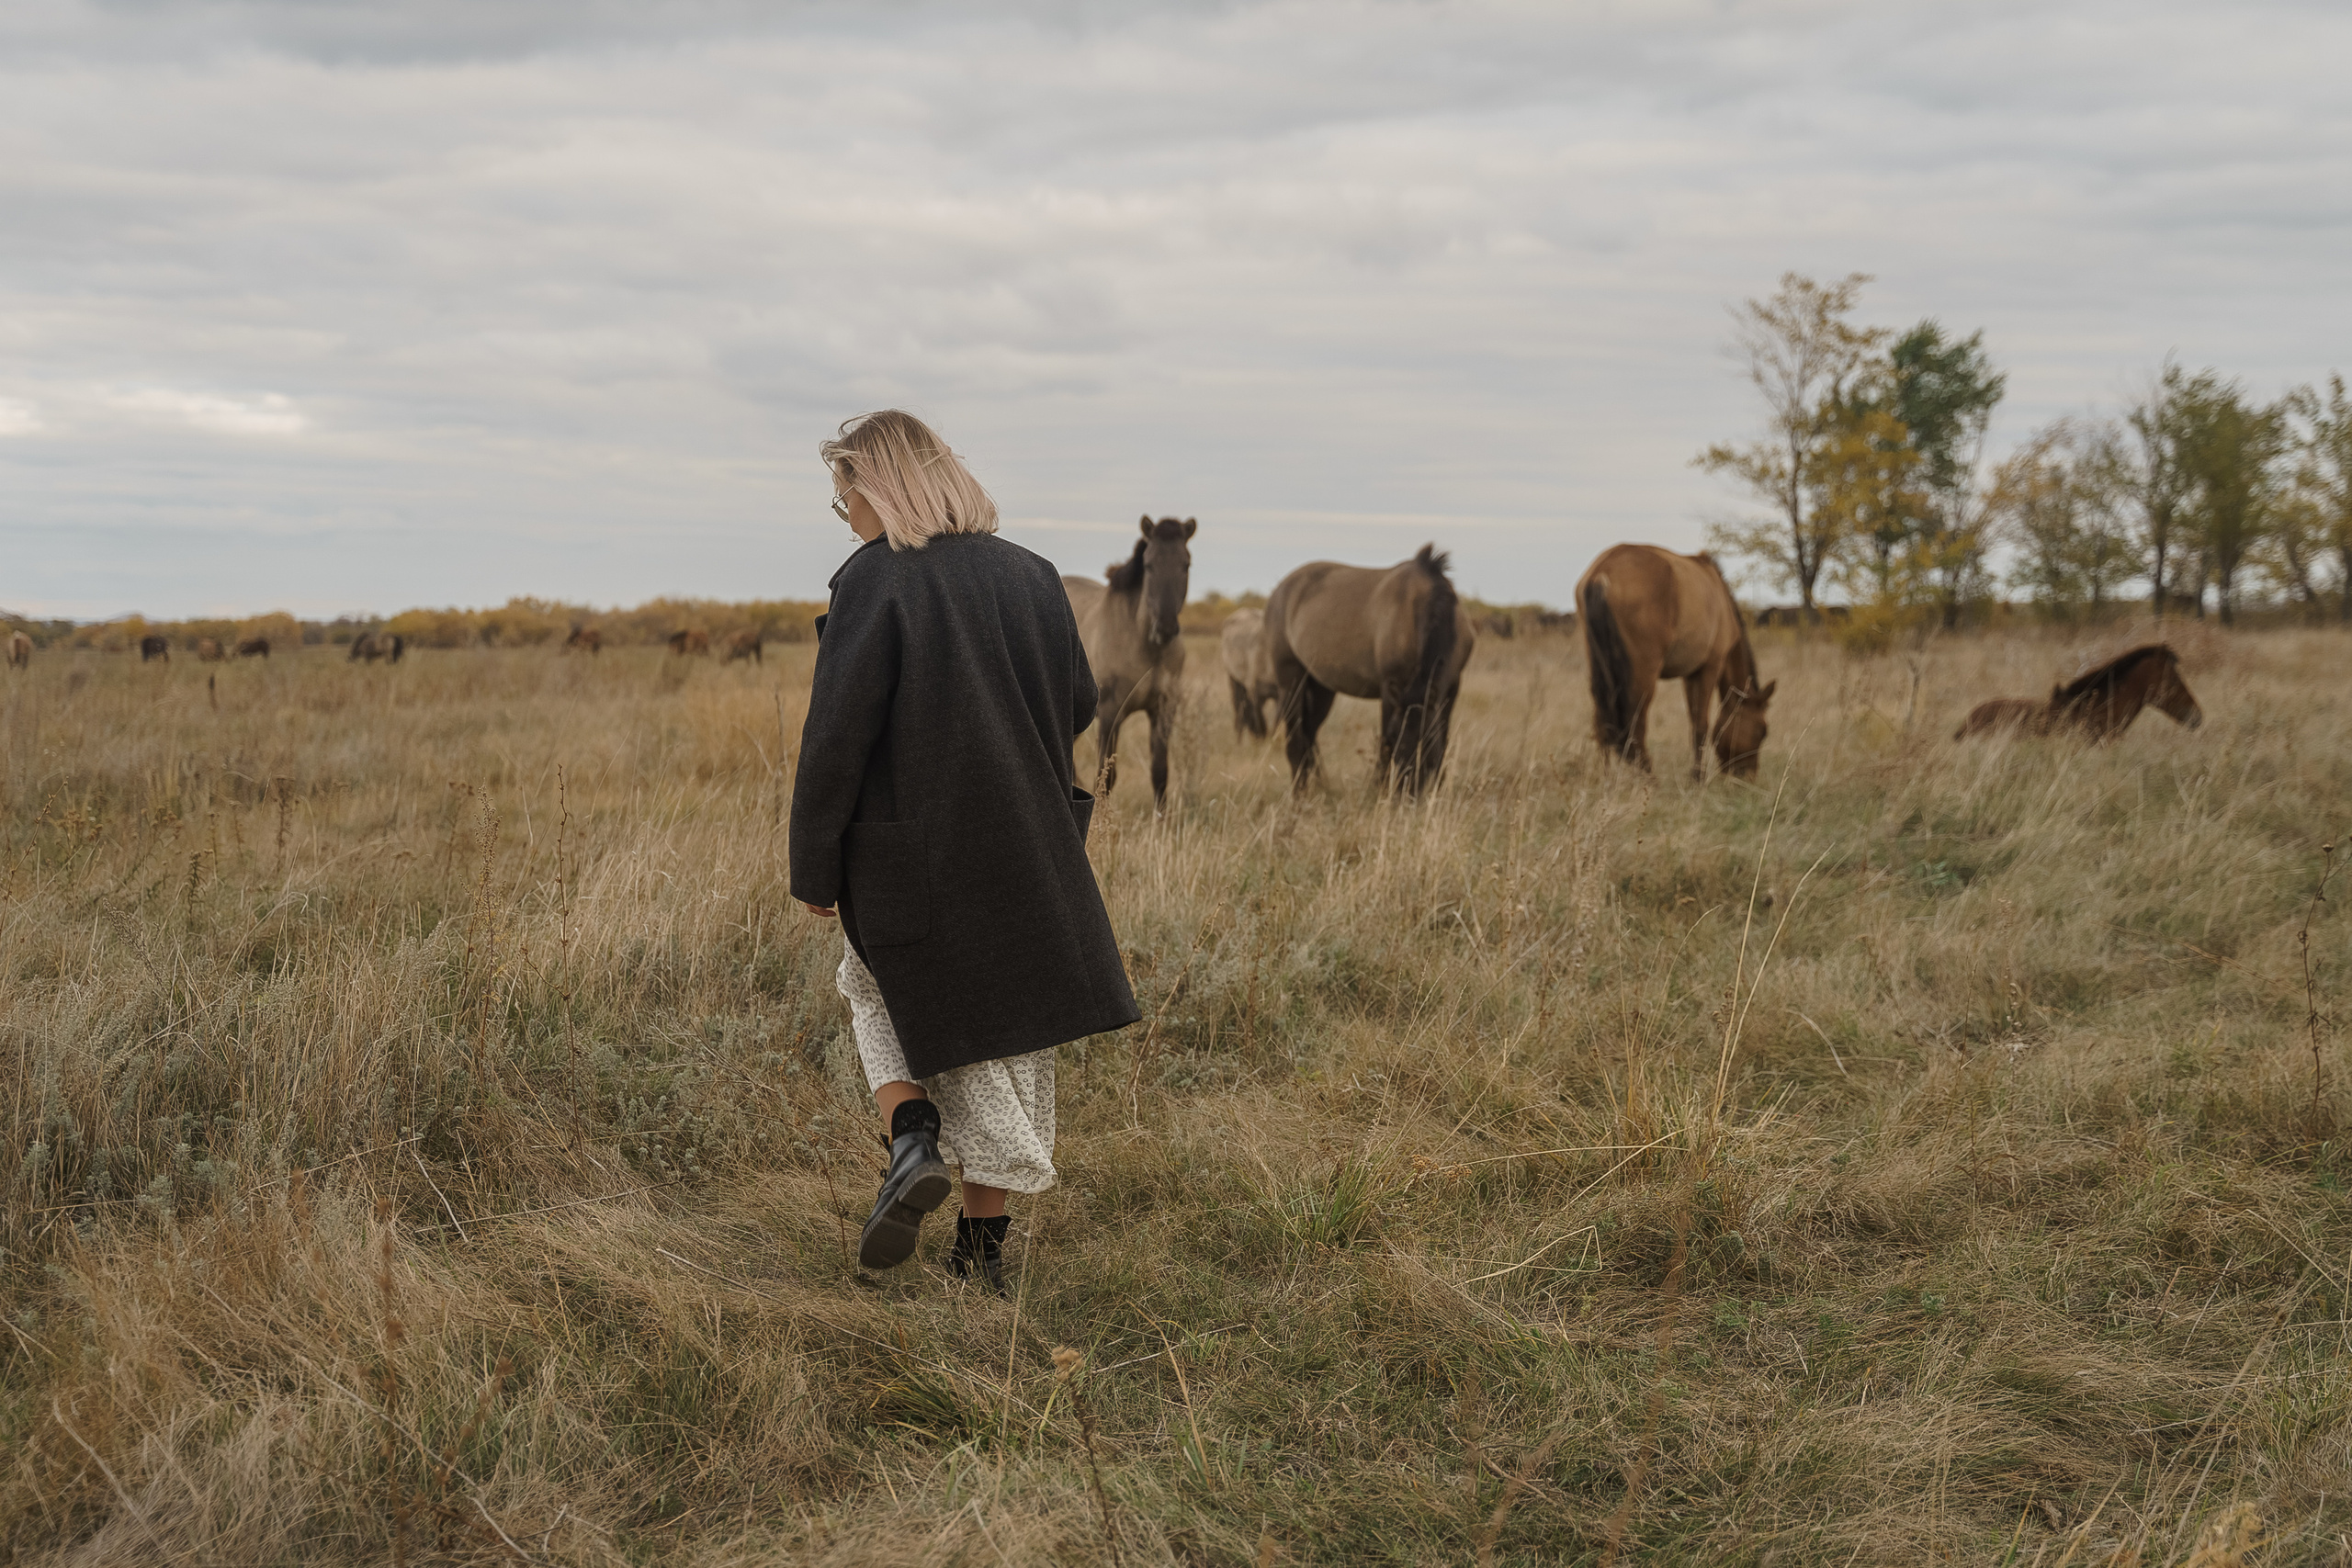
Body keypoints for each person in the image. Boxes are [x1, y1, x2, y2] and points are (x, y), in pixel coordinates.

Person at [788, 410, 1140, 1290]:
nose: (850, 519)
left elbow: (835, 738)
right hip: (1027, 847)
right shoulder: (1032, 575)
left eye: (847, 499)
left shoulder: (875, 581)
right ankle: (981, 1262)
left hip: (906, 855)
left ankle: (910, 1138)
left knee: (872, 990)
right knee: (1010, 1041)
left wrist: (814, 867)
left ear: (882, 487)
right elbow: (1078, 703)